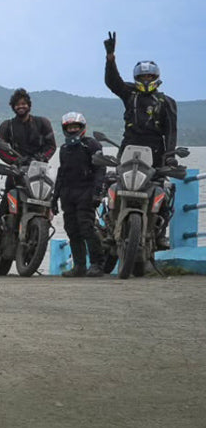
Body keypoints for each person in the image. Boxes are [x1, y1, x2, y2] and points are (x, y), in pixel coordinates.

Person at [103, 31, 178, 249]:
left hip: (155, 152)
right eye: (143, 77)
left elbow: (171, 132)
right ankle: (108, 223)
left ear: (156, 78)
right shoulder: (130, 94)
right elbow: (112, 82)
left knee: (165, 190)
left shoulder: (167, 102)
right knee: (111, 184)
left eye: (149, 77)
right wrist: (110, 58)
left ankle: (160, 231)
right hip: (128, 149)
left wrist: (170, 157)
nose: (146, 81)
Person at [0, 88, 56, 243]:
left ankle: (46, 220)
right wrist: (13, 161)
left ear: (29, 105)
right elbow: (0, 148)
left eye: (23, 104)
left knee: (49, 197)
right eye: (17, 104)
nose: (21, 106)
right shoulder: (7, 126)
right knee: (7, 197)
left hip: (38, 170)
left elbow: (52, 146)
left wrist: (43, 157)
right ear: (13, 107)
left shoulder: (42, 123)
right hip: (16, 171)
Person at [52, 112, 106, 277]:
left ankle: (97, 264)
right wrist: (54, 199)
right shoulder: (64, 149)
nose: (73, 129)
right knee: (71, 229)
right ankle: (79, 266)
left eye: (76, 126)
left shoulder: (92, 145)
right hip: (67, 194)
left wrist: (97, 192)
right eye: (70, 127)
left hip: (86, 191)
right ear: (65, 129)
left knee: (87, 228)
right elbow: (61, 173)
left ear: (82, 128)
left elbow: (100, 169)